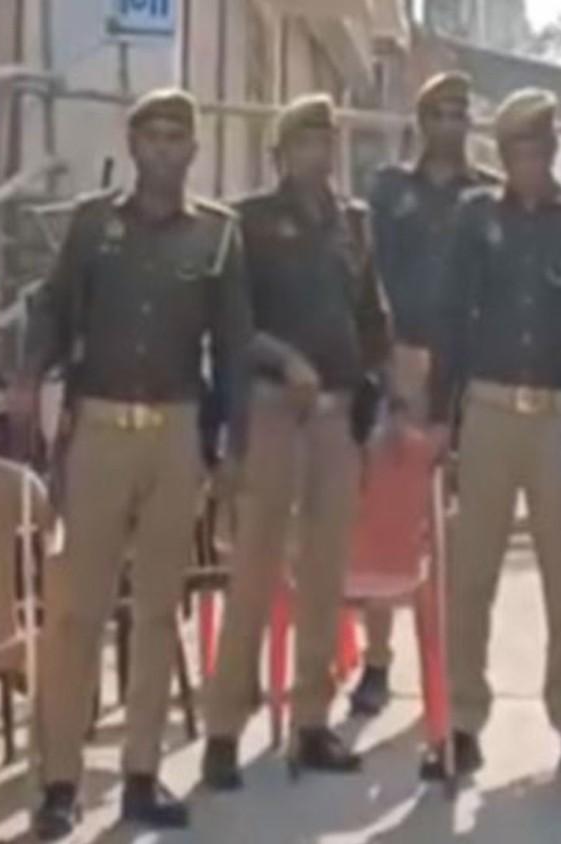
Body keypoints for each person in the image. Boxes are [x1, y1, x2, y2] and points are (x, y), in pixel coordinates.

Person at [12, 89, 253, 834]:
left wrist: (232, 450)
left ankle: (142, 774)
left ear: (193, 150)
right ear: (134, 142)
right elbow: (51, 309)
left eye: (177, 134)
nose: (163, 146)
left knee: (157, 611)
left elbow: (235, 352)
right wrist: (26, 382)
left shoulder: (217, 237)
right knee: (76, 612)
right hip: (100, 434)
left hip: (176, 433)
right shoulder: (93, 226)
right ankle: (59, 782)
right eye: (150, 133)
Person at [424, 88, 561, 784]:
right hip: (487, 408)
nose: (529, 163)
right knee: (471, 573)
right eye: (516, 151)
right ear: (502, 156)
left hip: (556, 415)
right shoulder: (476, 218)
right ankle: (461, 722)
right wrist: (435, 415)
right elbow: (449, 317)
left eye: (539, 150)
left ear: (553, 151)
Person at [201, 93, 394, 790]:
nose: (322, 151)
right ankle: (224, 727)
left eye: (328, 139)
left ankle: (312, 722)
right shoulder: (249, 223)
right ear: (282, 152)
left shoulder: (354, 226)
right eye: (308, 140)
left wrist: (377, 381)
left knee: (324, 574)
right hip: (275, 409)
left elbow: (373, 314)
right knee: (253, 570)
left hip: (338, 414)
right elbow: (233, 327)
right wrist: (285, 360)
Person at [350, 71, 499, 718]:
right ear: (420, 119)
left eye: (461, 112)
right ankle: (377, 664)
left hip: (470, 369)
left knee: (459, 533)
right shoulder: (390, 192)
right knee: (388, 521)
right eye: (438, 111)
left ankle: (452, 670)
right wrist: (384, 369)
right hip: (401, 362)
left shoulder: (486, 197)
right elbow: (366, 279)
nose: (450, 123)